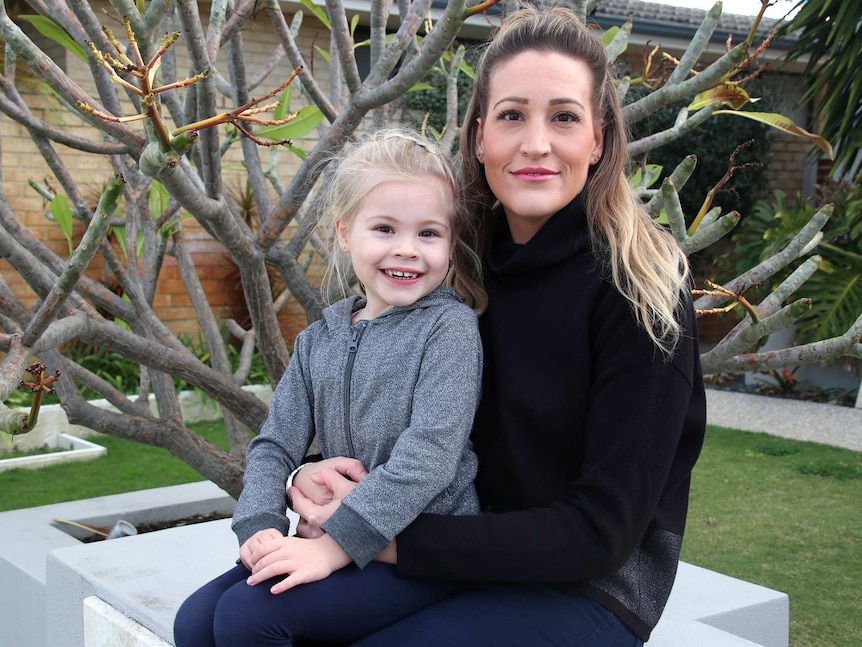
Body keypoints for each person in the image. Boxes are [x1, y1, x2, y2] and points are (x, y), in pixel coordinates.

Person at [288, 7, 707, 646]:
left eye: (564, 117)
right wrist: (311, 474)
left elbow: (601, 534)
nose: (536, 143)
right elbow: (401, 420)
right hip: (456, 540)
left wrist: (382, 540)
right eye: (513, 116)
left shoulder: (641, 292)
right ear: (480, 137)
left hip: (588, 588)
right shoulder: (452, 263)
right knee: (221, 621)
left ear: (599, 139)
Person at [173, 128, 487, 646]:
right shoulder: (320, 338)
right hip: (337, 539)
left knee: (247, 621)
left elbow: (429, 456)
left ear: (451, 241)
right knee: (194, 621)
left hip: (419, 553)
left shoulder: (448, 330)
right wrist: (259, 526)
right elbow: (275, 444)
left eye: (429, 234)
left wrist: (332, 546)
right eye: (384, 228)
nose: (407, 250)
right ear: (345, 233)